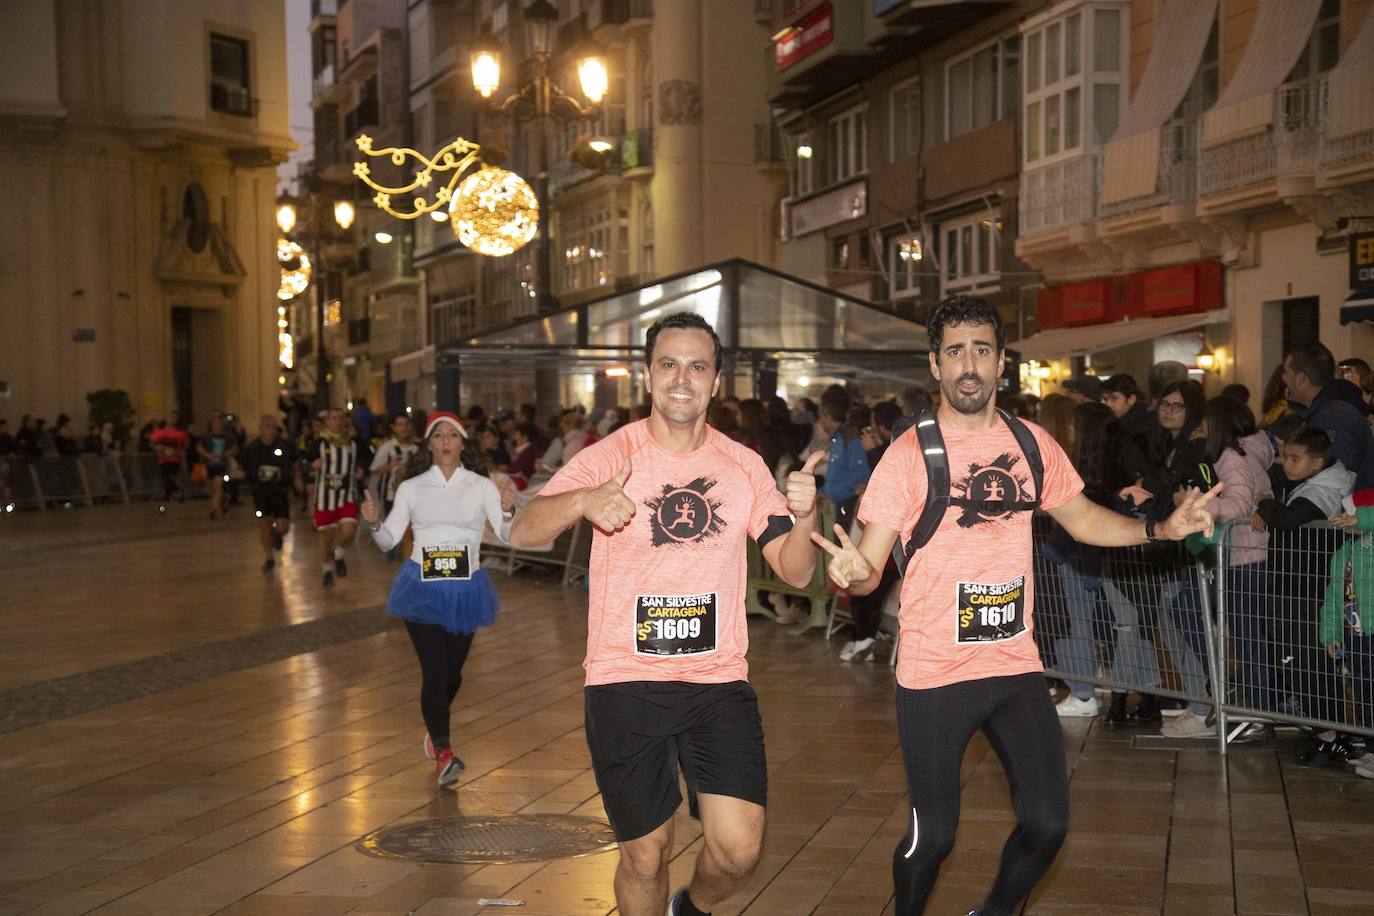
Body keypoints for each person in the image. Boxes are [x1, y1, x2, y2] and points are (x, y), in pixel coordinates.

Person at [810, 295, 1218, 916]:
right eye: (955, 352)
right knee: (934, 837)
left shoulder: (1031, 443)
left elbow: (1082, 521)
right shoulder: (908, 454)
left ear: (1002, 363)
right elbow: (867, 570)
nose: (968, 365)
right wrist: (853, 574)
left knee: (1048, 824)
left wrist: (1160, 529)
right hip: (934, 673)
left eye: (981, 350)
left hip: (1013, 665)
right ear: (935, 365)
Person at [509, 312, 822, 916]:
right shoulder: (612, 454)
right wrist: (583, 499)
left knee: (738, 850)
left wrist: (805, 517)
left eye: (697, 366)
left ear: (716, 380)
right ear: (648, 376)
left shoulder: (744, 466)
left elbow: (796, 570)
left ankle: (693, 911)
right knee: (646, 854)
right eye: (669, 364)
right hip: (626, 680)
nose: (683, 379)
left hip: (717, 682)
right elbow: (523, 528)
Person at [361, 412, 515, 788]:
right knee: (433, 669)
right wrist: (374, 523)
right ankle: (444, 753)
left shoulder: (481, 486)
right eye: (438, 435)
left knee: (452, 672)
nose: (446, 441)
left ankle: (434, 727)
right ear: (428, 444)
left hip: (466, 589)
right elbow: (390, 539)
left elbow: (507, 533)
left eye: (453, 435)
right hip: (422, 587)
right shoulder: (412, 487)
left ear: (463, 443)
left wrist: (508, 509)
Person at [1254, 428, 1357, 764]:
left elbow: (1286, 520)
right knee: (1306, 664)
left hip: (1307, 591)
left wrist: (1264, 503)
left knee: (1310, 664)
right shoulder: (1322, 482)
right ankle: (1324, 733)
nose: (1286, 464)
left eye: (1295, 458)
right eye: (1285, 455)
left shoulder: (1325, 490)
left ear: (1317, 461)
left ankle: (1330, 737)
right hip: (1300, 587)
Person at [1199, 396, 1274, 733]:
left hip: (1246, 554)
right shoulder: (1250, 454)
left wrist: (1200, 508)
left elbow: (1240, 505)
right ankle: (1258, 707)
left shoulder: (1233, 458)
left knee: (1247, 638)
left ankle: (1259, 714)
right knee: (1249, 636)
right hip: (1250, 554)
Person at [1283, 342, 1374, 490]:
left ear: (1301, 379)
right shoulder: (1327, 410)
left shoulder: (1333, 416)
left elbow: (1334, 480)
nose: (1283, 378)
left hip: (1348, 510)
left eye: (1286, 372)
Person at [310, 408, 365, 587]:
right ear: (327, 422)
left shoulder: (354, 442)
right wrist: (312, 464)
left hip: (347, 493)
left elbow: (367, 457)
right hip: (325, 496)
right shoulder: (319, 442)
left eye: (342, 418)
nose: (338, 422)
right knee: (326, 538)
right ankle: (326, 569)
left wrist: (361, 469)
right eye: (334, 418)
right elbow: (304, 459)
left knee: (350, 531)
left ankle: (339, 554)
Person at [241, 415, 297, 572]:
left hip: (280, 493)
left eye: (273, 427)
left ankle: (277, 533)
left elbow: (296, 461)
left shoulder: (284, 446)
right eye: (267, 427)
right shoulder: (252, 448)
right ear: (260, 428)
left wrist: (296, 478)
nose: (271, 431)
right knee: (263, 524)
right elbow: (243, 466)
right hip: (260, 494)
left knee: (283, 527)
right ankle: (269, 557)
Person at [198, 415, 236, 519]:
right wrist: (206, 454)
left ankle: (213, 509)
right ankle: (223, 501)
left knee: (218, 486)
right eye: (214, 423)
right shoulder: (206, 436)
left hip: (222, 464)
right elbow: (199, 447)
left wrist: (229, 452)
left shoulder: (228, 436)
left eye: (219, 423)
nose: (216, 425)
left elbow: (235, 448)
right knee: (214, 489)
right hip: (209, 464)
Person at [150, 419, 190, 503]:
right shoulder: (162, 433)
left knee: (169, 476)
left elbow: (185, 443)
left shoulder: (177, 434)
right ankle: (171, 494)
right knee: (167, 477)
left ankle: (172, 493)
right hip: (165, 459)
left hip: (174, 459)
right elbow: (153, 443)